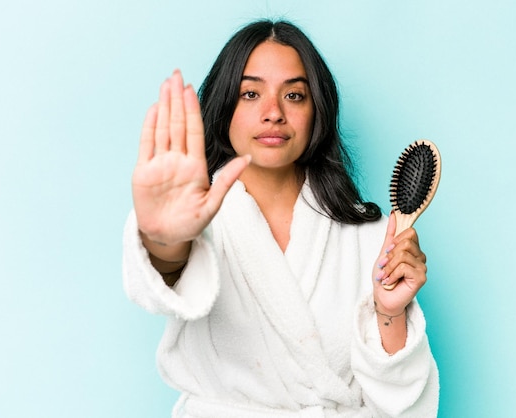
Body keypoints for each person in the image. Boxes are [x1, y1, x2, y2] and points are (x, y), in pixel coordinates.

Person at [123, 19, 439, 418]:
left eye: (294, 95)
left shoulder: (372, 237)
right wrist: (163, 240)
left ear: (316, 111)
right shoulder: (195, 222)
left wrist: (390, 312)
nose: (273, 113)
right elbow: (168, 274)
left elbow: (402, 402)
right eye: (250, 93)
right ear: (224, 108)